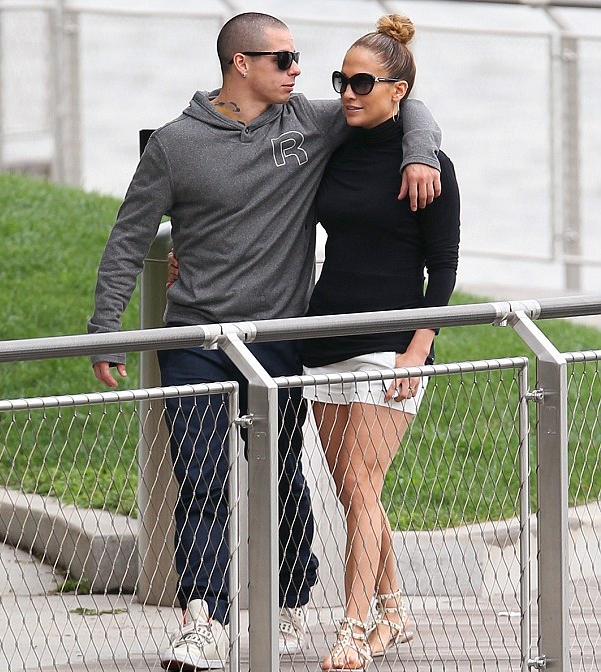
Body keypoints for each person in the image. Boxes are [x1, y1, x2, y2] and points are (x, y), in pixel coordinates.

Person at [88, 12, 443, 671]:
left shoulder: (309, 122)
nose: (298, 70)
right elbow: (127, 239)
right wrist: (104, 331)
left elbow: (404, 103)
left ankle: (289, 601)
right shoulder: (174, 145)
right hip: (195, 338)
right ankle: (204, 621)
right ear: (241, 64)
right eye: (284, 60)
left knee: (280, 479)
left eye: (298, 58)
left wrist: (420, 152)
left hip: (280, 339)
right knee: (201, 479)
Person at [300, 15, 461, 671]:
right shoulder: (332, 152)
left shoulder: (430, 164)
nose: (347, 92)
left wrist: (417, 350)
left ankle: (350, 628)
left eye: (362, 82)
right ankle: (394, 614)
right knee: (352, 489)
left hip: (392, 343)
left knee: (363, 484)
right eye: (341, 80)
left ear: (399, 91)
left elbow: (443, 269)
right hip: (324, 334)